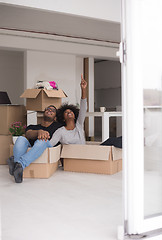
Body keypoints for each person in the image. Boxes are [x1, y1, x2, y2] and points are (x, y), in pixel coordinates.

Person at [7, 105, 62, 183]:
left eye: (53, 111)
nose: (49, 110)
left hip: (47, 146)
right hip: (33, 147)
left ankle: (19, 163)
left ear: (55, 117)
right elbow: (28, 134)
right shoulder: (33, 126)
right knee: (21, 139)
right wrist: (39, 132)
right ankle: (18, 167)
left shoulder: (58, 126)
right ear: (44, 113)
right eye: (48, 109)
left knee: (42, 141)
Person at [49, 74, 87, 147]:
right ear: (63, 118)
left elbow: (83, 108)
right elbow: (50, 144)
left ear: (75, 116)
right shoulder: (60, 131)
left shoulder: (79, 125)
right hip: (69, 157)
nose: (69, 112)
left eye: (70, 111)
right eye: (66, 112)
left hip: (83, 155)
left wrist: (83, 89)